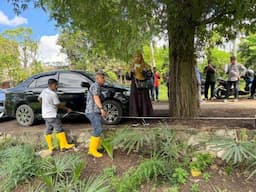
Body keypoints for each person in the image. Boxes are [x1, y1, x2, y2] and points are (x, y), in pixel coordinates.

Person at [38, 78, 74, 154]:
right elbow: (58, 105)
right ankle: (64, 146)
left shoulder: (44, 91)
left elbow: (39, 98)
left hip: (45, 115)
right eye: (55, 85)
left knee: (48, 130)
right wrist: (67, 109)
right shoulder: (53, 94)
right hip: (52, 115)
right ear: (50, 85)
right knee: (59, 129)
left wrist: (44, 106)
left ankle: (51, 147)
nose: (57, 86)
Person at [126, 52, 153, 127]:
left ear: (141, 57)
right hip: (135, 86)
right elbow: (127, 77)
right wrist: (131, 73)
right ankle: (135, 121)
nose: (137, 58)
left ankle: (144, 120)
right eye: (136, 57)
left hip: (143, 87)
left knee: (144, 102)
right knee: (135, 102)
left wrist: (144, 72)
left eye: (139, 57)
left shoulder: (146, 65)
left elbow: (150, 75)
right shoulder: (131, 66)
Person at [85, 71, 107, 158]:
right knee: (98, 129)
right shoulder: (95, 86)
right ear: (97, 78)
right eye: (103, 78)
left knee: (97, 129)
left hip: (93, 111)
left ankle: (93, 148)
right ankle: (92, 150)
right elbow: (96, 97)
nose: (104, 80)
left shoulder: (96, 86)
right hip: (92, 111)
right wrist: (101, 108)